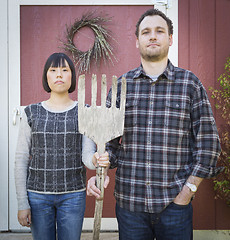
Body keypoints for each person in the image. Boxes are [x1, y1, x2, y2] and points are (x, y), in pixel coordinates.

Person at [87, 8, 222, 240]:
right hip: (130, 205)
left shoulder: (189, 84)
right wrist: (103, 167)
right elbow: (110, 146)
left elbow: (209, 144)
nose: (152, 36)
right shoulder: (121, 86)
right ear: (137, 40)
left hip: (175, 205)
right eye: (146, 32)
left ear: (170, 39)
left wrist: (188, 191)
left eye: (160, 31)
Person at [14, 52, 109, 240]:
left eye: (65, 70)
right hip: (38, 196)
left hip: (73, 196)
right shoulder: (31, 113)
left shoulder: (84, 112)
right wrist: (22, 203)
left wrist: (95, 159)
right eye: (53, 70)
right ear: (46, 76)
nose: (59, 74)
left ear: (72, 77)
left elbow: (86, 154)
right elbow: (21, 159)